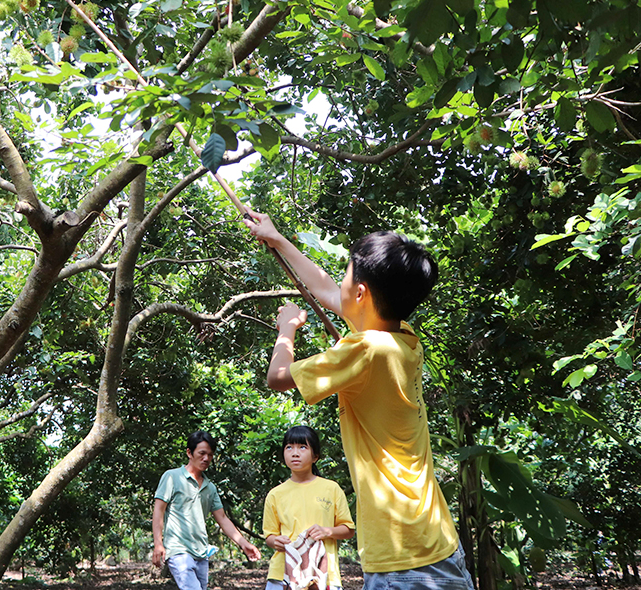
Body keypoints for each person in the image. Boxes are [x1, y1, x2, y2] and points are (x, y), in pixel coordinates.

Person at [244, 212, 475, 590]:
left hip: (402, 559)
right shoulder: (400, 336)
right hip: (435, 542)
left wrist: (286, 329)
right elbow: (332, 293)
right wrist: (277, 239)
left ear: (363, 293)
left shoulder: (366, 348)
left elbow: (277, 379)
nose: (341, 282)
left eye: (348, 273)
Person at [152, 430, 261, 590]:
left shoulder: (210, 488)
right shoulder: (172, 477)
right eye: (202, 453)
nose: (206, 458)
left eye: (210, 455)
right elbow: (158, 511)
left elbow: (223, 519)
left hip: (201, 553)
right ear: (189, 452)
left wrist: (244, 544)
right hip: (178, 550)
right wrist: (158, 544)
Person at [263, 425, 354, 590]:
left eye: (302, 447)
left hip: (323, 574)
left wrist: (327, 531)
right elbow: (270, 536)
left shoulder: (331, 489)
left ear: (315, 456)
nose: (295, 453)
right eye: (289, 447)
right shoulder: (275, 494)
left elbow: (348, 529)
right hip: (281, 574)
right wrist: (276, 541)